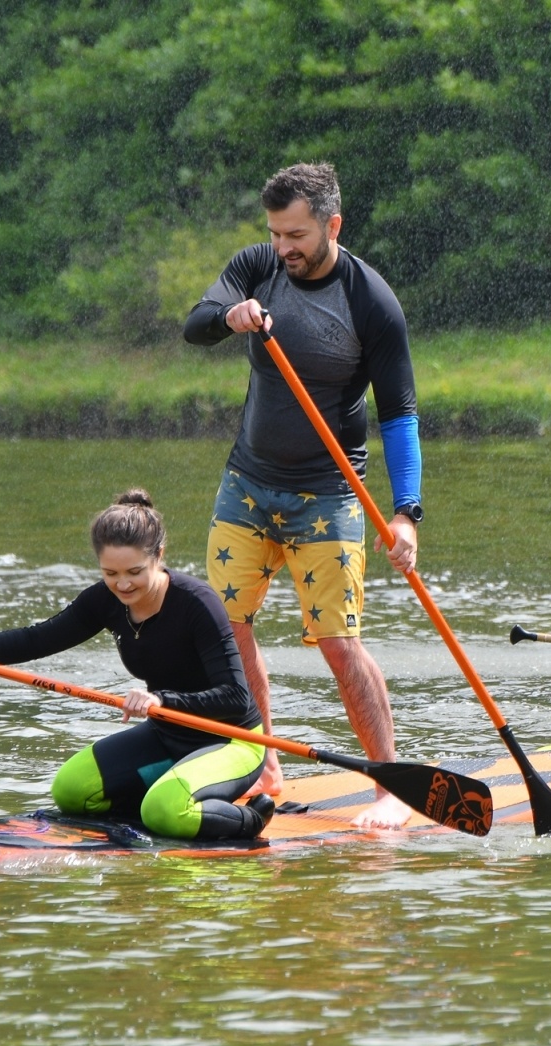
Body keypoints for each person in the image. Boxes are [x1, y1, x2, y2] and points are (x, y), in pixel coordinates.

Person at [182, 162, 422, 829]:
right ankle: (264, 766)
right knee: (231, 634)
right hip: (247, 487)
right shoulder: (257, 267)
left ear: (331, 225)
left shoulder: (371, 301)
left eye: (297, 233)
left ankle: (388, 787)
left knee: (339, 645)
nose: (284, 246)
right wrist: (228, 316)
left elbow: (399, 412)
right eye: (276, 232)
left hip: (329, 496)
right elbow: (195, 324)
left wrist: (407, 514)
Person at [0, 490, 274, 841]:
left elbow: (234, 696)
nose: (122, 585)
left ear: (160, 554)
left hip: (231, 740)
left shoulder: (198, 605)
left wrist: (161, 700)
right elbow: (35, 639)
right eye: (110, 574)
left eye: (134, 572)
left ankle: (250, 818)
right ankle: (162, 802)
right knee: (72, 790)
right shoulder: (104, 601)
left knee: (164, 810)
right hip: (167, 736)